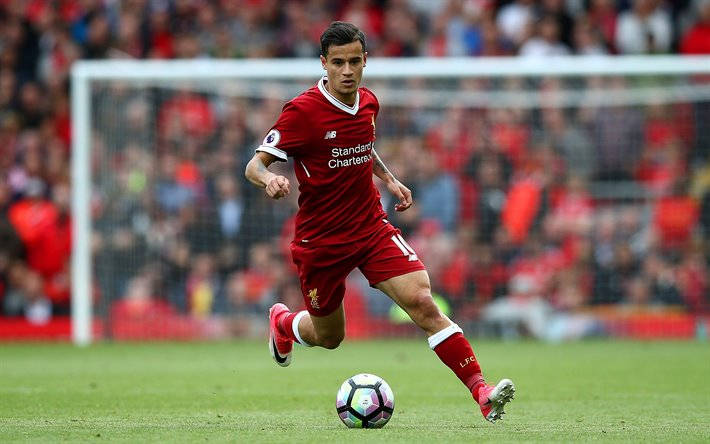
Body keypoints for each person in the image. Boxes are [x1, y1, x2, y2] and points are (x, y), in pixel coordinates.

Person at [244, 21, 514, 422]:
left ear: (365, 60)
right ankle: (284, 322)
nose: (347, 70)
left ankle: (481, 390)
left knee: (423, 303)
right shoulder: (301, 112)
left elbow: (363, 146)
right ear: (324, 63)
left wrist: (388, 178)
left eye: (355, 61)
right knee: (330, 337)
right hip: (322, 242)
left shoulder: (368, 102)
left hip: (371, 227)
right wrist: (270, 179)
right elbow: (254, 164)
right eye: (338, 63)